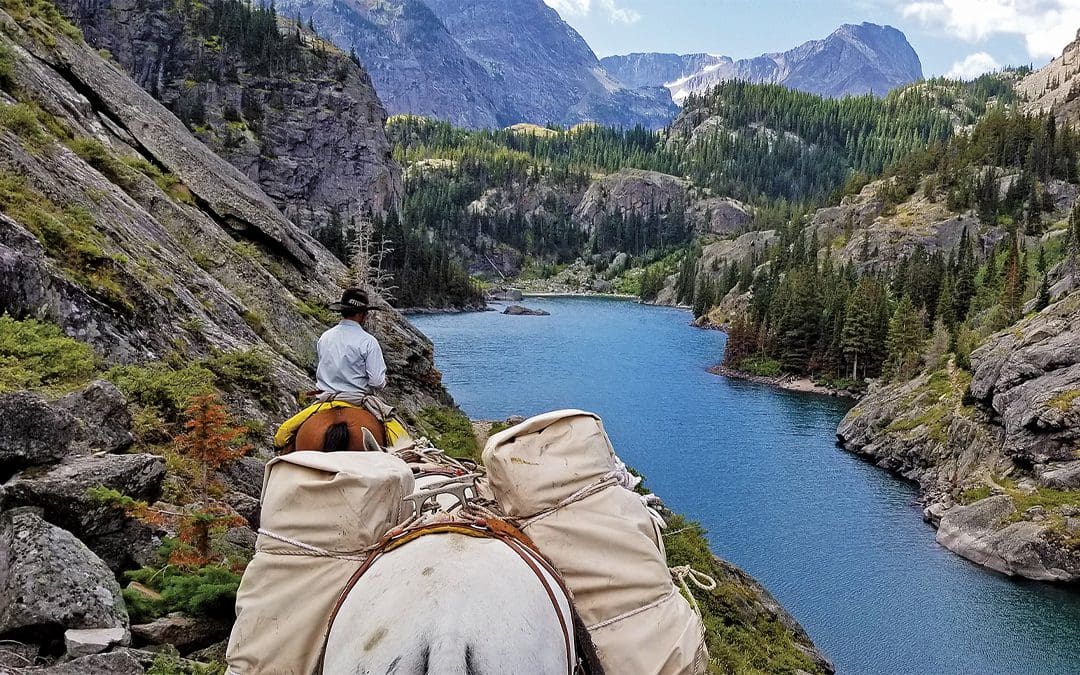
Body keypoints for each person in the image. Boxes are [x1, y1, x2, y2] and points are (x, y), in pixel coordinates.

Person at [316, 287, 387, 395]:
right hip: (356, 399)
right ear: (360, 314)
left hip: (325, 396)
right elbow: (376, 381)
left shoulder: (325, 337)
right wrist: (384, 381)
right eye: (365, 313)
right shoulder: (368, 341)